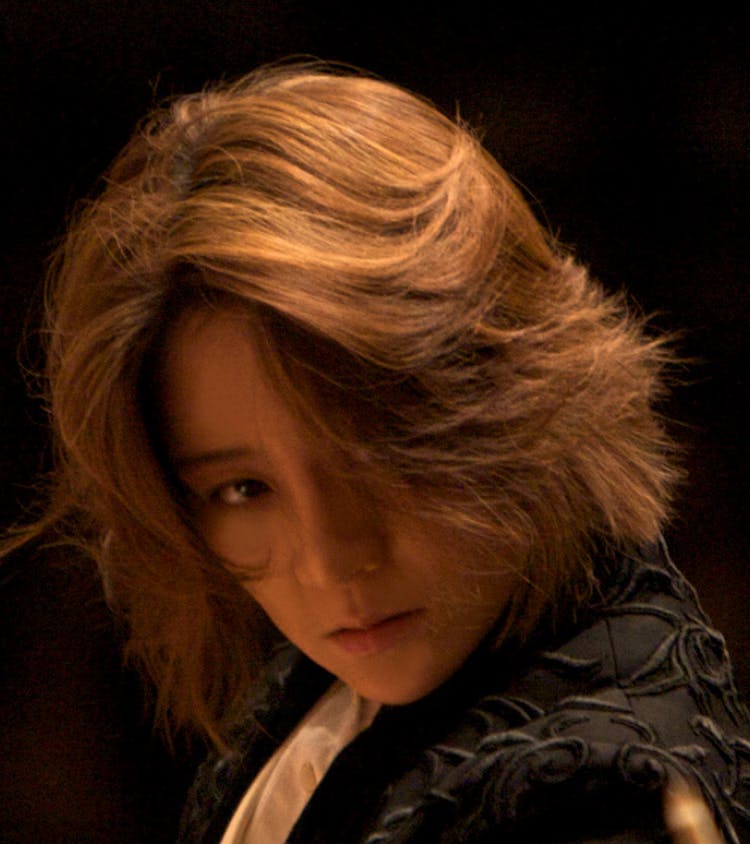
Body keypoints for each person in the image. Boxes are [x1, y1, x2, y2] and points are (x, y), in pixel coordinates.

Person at [4, 62, 748, 842]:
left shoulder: (595, 800)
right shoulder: (358, 680)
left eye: (372, 457)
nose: (331, 561)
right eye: (244, 489)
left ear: (510, 395)